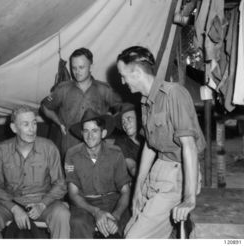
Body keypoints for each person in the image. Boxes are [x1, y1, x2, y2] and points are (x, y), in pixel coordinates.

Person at [116, 46, 206, 238]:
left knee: (134, 239)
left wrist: (189, 198)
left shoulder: (174, 93)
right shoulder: (145, 100)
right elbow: (150, 144)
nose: (122, 81)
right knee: (128, 232)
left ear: (137, 72)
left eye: (123, 75)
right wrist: (138, 187)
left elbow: (189, 146)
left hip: (178, 174)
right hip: (158, 171)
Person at [0, 105, 70, 239]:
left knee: (62, 214)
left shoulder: (49, 148)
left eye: (34, 123)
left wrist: (42, 205)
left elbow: (61, 184)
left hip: (42, 201)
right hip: (10, 201)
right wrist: (14, 208)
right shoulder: (2, 150)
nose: (32, 129)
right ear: (14, 128)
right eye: (26, 124)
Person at [41, 47, 122, 157]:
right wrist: (59, 123)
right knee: (70, 172)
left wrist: (110, 118)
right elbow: (45, 106)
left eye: (81, 67)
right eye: (74, 68)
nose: (77, 72)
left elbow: (121, 107)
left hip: (95, 147)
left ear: (91, 66)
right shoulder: (63, 89)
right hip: (70, 146)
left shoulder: (103, 89)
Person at [65, 108, 131, 238]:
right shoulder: (72, 154)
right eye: (86, 131)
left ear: (103, 133)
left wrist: (116, 216)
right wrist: (96, 212)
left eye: (94, 130)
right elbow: (73, 194)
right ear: (81, 133)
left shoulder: (116, 153)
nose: (90, 136)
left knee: (130, 224)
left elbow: (125, 191)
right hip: (84, 203)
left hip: (113, 201)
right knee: (77, 223)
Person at [114, 103, 143, 177]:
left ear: (138, 119)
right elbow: (132, 168)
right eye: (123, 121)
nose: (125, 124)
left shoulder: (148, 137)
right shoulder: (121, 142)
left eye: (129, 119)